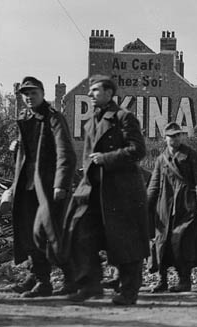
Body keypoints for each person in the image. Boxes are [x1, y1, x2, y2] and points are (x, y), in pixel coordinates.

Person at [63, 75, 149, 305]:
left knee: (126, 243)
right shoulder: (91, 122)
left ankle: (129, 291)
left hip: (121, 191)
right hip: (94, 189)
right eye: (90, 91)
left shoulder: (123, 118)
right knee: (80, 231)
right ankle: (90, 284)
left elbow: (138, 150)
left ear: (110, 93)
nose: (90, 94)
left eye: (95, 90)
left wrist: (106, 158)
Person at [10, 77, 76, 298]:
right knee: (30, 233)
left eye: (33, 93)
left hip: (48, 187)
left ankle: (68, 279)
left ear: (43, 93)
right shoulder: (25, 117)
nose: (29, 97)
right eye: (25, 94)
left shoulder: (53, 118)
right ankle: (40, 278)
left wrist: (61, 184)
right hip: (28, 186)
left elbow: (66, 153)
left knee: (50, 233)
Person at [147, 122, 197, 293]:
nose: (173, 139)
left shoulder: (191, 156)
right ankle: (162, 280)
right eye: (170, 136)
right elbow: (154, 185)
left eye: (177, 135)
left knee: (182, 244)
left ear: (181, 137)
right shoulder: (161, 159)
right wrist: (146, 206)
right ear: (165, 138)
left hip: (186, 207)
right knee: (161, 244)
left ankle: (184, 280)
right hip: (165, 208)